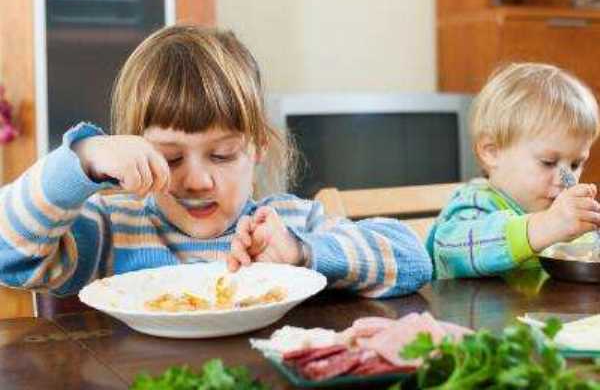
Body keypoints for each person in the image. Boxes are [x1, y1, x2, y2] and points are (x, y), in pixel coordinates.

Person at [0, 25, 432, 298]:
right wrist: (82, 158)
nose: (198, 180)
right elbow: (8, 256)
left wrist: (302, 253)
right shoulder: (110, 230)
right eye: (170, 158)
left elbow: (413, 259)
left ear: (258, 147)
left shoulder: (285, 223)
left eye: (222, 155)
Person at [427, 62, 600, 279]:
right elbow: (449, 251)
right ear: (492, 152)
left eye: (575, 164)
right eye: (547, 162)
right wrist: (543, 227)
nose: (566, 179)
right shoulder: (475, 203)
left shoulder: (555, 212)